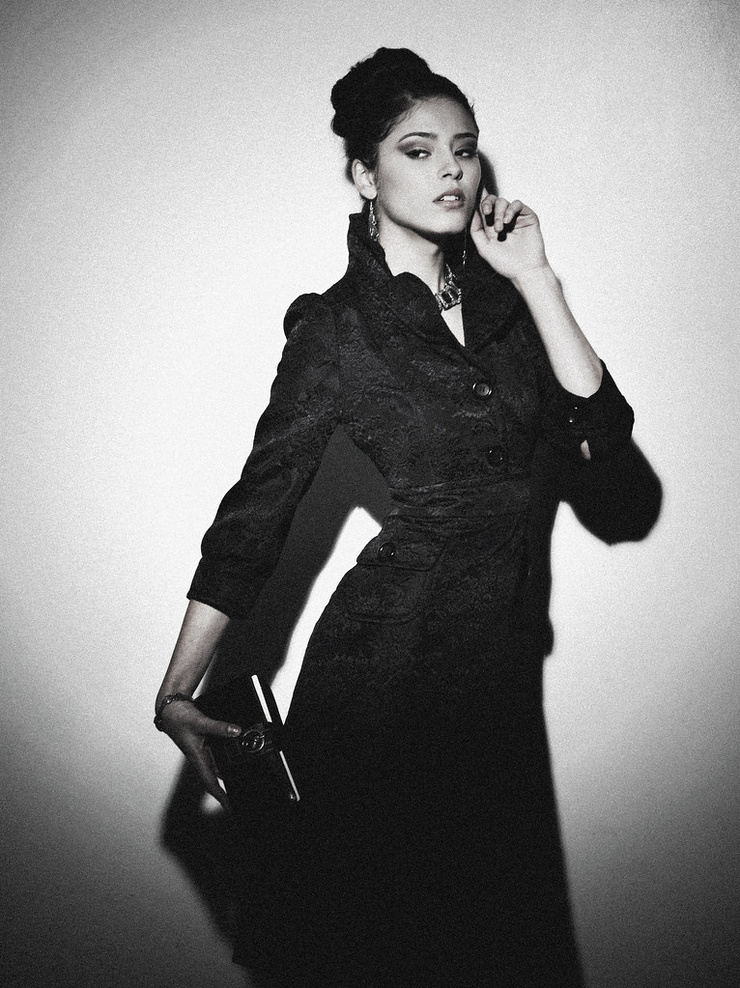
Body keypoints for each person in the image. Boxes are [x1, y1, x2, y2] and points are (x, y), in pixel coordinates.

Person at [155, 48, 635, 988]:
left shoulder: (507, 305)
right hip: (383, 679)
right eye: (418, 151)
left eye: (464, 148)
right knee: (372, 949)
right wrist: (179, 686)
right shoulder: (336, 329)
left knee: (490, 950)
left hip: (495, 686)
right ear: (365, 175)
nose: (452, 168)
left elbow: (608, 452)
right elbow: (256, 511)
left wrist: (538, 278)